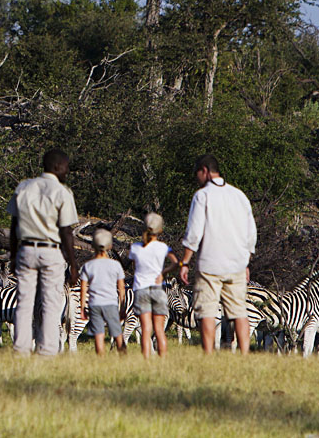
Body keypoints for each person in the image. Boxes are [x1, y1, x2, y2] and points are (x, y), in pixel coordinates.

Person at [178, 154, 257, 354]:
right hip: (237, 264)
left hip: (210, 264)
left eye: (197, 173)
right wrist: (246, 262)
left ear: (204, 170)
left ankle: (208, 354)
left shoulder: (202, 196)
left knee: (207, 311)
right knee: (239, 311)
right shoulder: (239, 195)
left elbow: (194, 233)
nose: (196, 177)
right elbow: (251, 233)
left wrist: (185, 262)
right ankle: (245, 354)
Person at [8, 148, 79, 356]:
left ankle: (21, 350)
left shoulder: (23, 187)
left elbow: (13, 226)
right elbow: (66, 231)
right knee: (51, 303)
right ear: (57, 167)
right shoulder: (62, 192)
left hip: (26, 249)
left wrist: (13, 255)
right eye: (65, 167)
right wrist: (73, 263)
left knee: (24, 302)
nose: (67, 172)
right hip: (51, 251)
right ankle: (47, 351)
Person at [128, 212, 179, 359]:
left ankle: (146, 360)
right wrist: (163, 272)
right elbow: (176, 262)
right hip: (158, 289)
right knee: (159, 329)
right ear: (160, 230)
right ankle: (162, 360)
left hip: (141, 289)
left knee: (145, 329)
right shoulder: (163, 247)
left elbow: (134, 265)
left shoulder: (135, 247)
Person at [79, 229, 126, 355]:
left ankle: (101, 360)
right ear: (110, 246)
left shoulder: (88, 266)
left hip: (95, 304)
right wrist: (122, 308)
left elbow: (83, 288)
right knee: (117, 334)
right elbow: (121, 288)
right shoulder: (116, 265)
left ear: (93, 245)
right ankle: (124, 358)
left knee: (99, 336)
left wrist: (82, 308)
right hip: (111, 303)